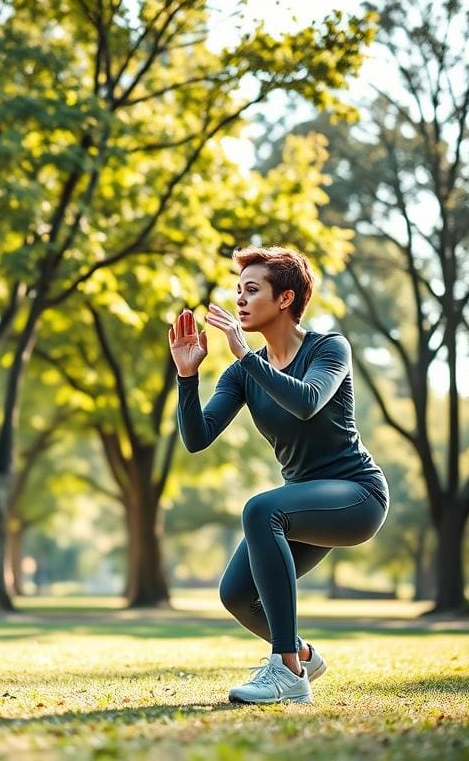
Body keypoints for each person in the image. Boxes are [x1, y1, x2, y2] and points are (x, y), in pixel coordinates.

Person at [169, 246, 388, 705]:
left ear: (285, 299)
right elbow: (197, 437)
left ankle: (286, 669)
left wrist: (248, 356)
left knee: (260, 508)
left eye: (252, 290)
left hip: (357, 496)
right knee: (236, 595)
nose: (240, 301)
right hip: (301, 504)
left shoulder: (328, 348)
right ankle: (304, 655)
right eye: (238, 291)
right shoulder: (241, 374)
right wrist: (187, 377)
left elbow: (308, 401)